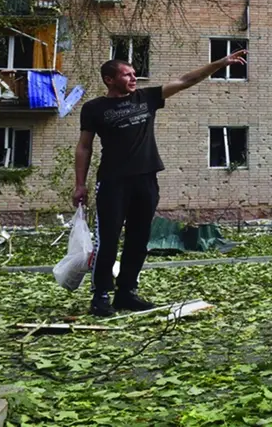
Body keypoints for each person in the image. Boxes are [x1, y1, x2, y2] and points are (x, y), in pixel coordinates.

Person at [74, 49, 246, 317]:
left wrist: (221, 63)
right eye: (127, 74)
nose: (133, 78)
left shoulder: (147, 97)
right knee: (107, 241)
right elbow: (84, 147)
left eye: (134, 73)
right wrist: (80, 184)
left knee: (139, 239)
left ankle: (126, 293)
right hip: (112, 182)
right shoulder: (94, 108)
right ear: (109, 79)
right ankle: (101, 296)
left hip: (146, 180)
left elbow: (186, 80)